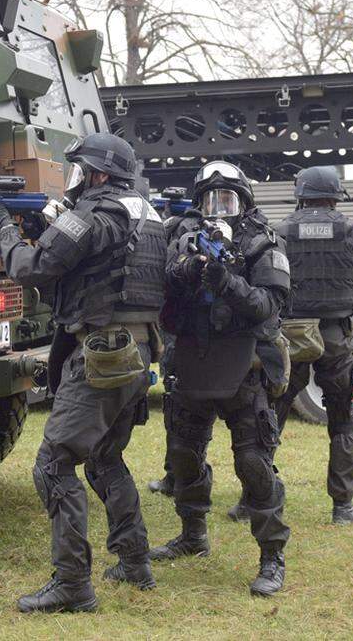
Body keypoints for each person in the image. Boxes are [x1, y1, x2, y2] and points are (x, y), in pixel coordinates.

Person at [0, 133, 167, 613]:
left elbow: (32, 267)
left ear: (99, 174)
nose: (78, 180)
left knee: (53, 464)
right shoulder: (149, 216)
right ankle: (134, 562)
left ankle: (72, 585)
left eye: (81, 171)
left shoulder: (94, 213)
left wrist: (3, 226)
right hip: (138, 353)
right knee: (107, 457)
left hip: (101, 354)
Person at [149, 160, 291, 597]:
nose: (218, 207)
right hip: (193, 360)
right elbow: (159, 290)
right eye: (210, 199)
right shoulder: (182, 236)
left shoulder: (264, 242)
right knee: (183, 456)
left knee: (253, 463)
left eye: (227, 198)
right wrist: (186, 271)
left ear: (245, 202)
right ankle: (193, 535)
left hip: (244, 367)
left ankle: (272, 556)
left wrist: (225, 279)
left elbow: (268, 305)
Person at [225, 166, 353, 525]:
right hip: (337, 337)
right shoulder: (352, 232)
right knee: (342, 418)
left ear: (300, 195)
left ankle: (252, 500)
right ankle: (342, 507)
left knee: (268, 418)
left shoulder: (277, 232)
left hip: (290, 337)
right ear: (335, 195)